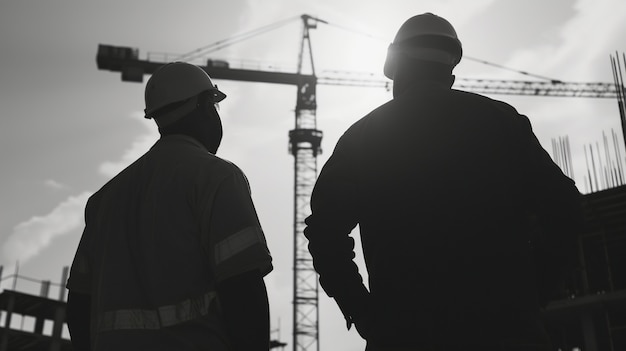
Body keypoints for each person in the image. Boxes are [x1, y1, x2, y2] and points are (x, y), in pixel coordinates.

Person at [304, 13, 583, 351]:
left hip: (404, 337)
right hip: (508, 333)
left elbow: (324, 234)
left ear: (395, 66)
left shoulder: (364, 138)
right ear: (450, 72)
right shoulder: (503, 124)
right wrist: (535, 290)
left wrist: (362, 312)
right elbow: (565, 207)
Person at [66, 62, 273, 351]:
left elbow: (78, 305)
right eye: (214, 105)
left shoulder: (104, 199)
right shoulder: (217, 178)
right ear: (202, 105)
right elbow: (243, 288)